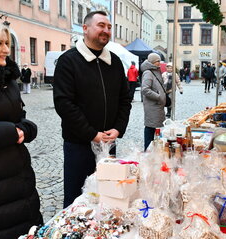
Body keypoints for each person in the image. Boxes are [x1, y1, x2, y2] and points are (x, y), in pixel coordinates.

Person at [53, 11, 132, 208]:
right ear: (85, 29)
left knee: (109, 196)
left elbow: (125, 100)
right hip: (79, 144)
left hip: (108, 142)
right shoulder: (68, 61)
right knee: (76, 198)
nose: (106, 30)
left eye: (109, 27)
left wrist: (118, 129)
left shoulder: (114, 62)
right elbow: (64, 104)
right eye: (101, 25)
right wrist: (91, 134)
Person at [0, 18, 43, 238]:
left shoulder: (8, 79)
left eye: (7, 43)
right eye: (0, 43)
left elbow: (20, 118)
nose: (6, 49)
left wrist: (27, 129)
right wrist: (8, 132)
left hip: (20, 180)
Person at [141, 53, 166, 151]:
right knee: (150, 128)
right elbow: (145, 89)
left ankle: (153, 151)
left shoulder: (154, 70)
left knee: (154, 129)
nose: (159, 63)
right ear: (152, 62)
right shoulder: (148, 72)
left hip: (157, 106)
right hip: (152, 106)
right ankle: (147, 151)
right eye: (157, 61)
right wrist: (159, 96)